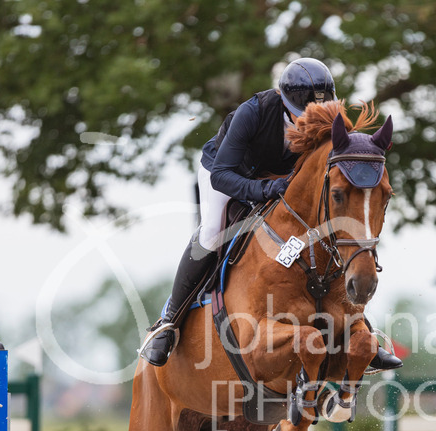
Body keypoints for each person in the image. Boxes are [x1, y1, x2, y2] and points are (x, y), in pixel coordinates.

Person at [139, 57, 402, 372]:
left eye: (319, 112)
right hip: (227, 174)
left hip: (281, 184)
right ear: (285, 102)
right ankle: (168, 322)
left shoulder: (332, 121)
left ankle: (360, 328)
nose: (312, 120)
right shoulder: (254, 113)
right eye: (304, 114)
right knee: (212, 232)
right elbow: (221, 176)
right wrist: (265, 190)